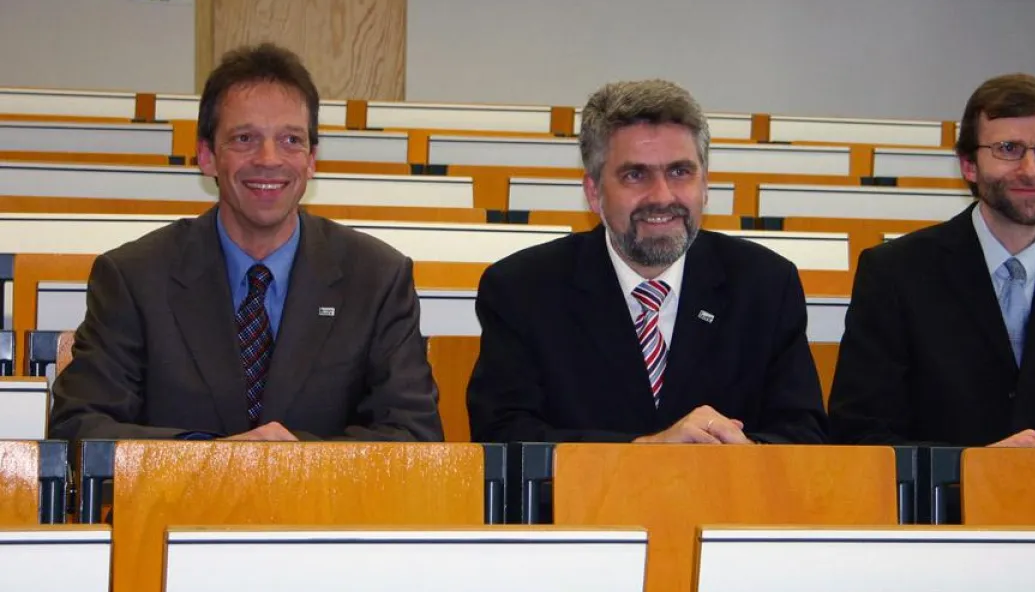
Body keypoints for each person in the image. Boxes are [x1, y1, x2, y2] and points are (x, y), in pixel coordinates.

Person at [49, 42, 442, 441]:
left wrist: (298, 460)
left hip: (325, 504)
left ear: (312, 159)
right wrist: (215, 459)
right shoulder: (134, 277)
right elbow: (80, 426)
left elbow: (414, 435)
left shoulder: (376, 277)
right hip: (178, 503)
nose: (269, 159)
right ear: (206, 156)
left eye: (291, 140)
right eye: (244, 139)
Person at [466, 79, 827, 444]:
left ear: (705, 185)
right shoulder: (522, 289)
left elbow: (804, 436)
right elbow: (504, 439)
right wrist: (644, 454)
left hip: (726, 499)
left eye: (680, 172)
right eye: (635, 175)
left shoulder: (765, 283)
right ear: (594, 192)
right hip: (583, 502)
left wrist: (741, 456)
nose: (662, 196)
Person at [829, 73, 1035, 448]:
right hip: (944, 505)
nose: (1031, 169)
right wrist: (975, 467)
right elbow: (858, 433)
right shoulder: (894, 273)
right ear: (968, 165)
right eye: (1009, 148)